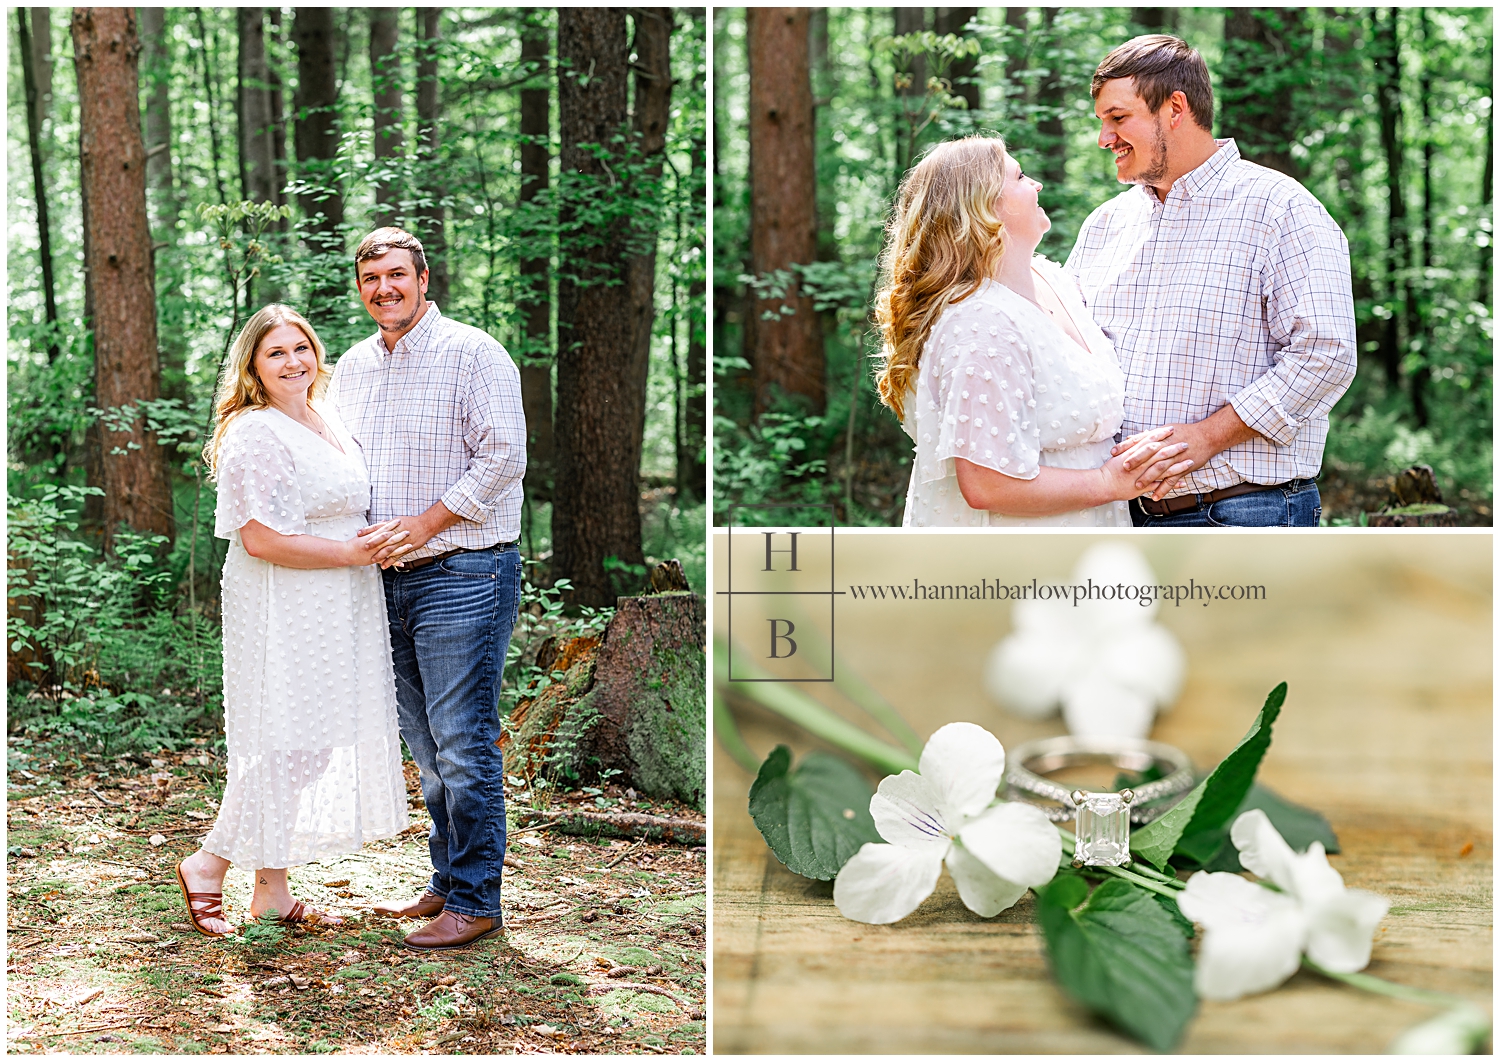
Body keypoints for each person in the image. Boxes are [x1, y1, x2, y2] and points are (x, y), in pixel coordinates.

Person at [175, 305, 410, 937]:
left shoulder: (324, 416)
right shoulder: (254, 431)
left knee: (311, 742)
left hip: (341, 596)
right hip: (286, 598)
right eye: (276, 353)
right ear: (252, 364)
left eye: (300, 347)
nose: (293, 362)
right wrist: (349, 552)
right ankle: (208, 862)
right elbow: (258, 539)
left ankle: (271, 890)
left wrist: (368, 546)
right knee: (288, 738)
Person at [330, 228, 527, 952]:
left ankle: (477, 901)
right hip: (382, 583)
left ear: (423, 277)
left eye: (395, 276)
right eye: (371, 279)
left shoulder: (473, 354)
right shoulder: (350, 368)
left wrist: (427, 523)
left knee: (463, 743)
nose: (384, 288)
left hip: (464, 573)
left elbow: (505, 456)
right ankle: (447, 879)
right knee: (424, 743)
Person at [1068, 35, 1357, 527]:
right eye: (1102, 122)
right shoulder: (1104, 225)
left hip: (1243, 513)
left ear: (1174, 108)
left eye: (1118, 119)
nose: (1104, 138)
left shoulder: (1279, 208)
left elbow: (1327, 354)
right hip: (1115, 518)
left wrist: (1205, 437)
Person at [875, 136, 1190, 526]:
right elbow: (987, 484)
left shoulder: (1052, 280)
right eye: (1020, 176)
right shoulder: (978, 324)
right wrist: (1108, 482)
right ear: (984, 206)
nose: (1036, 184)